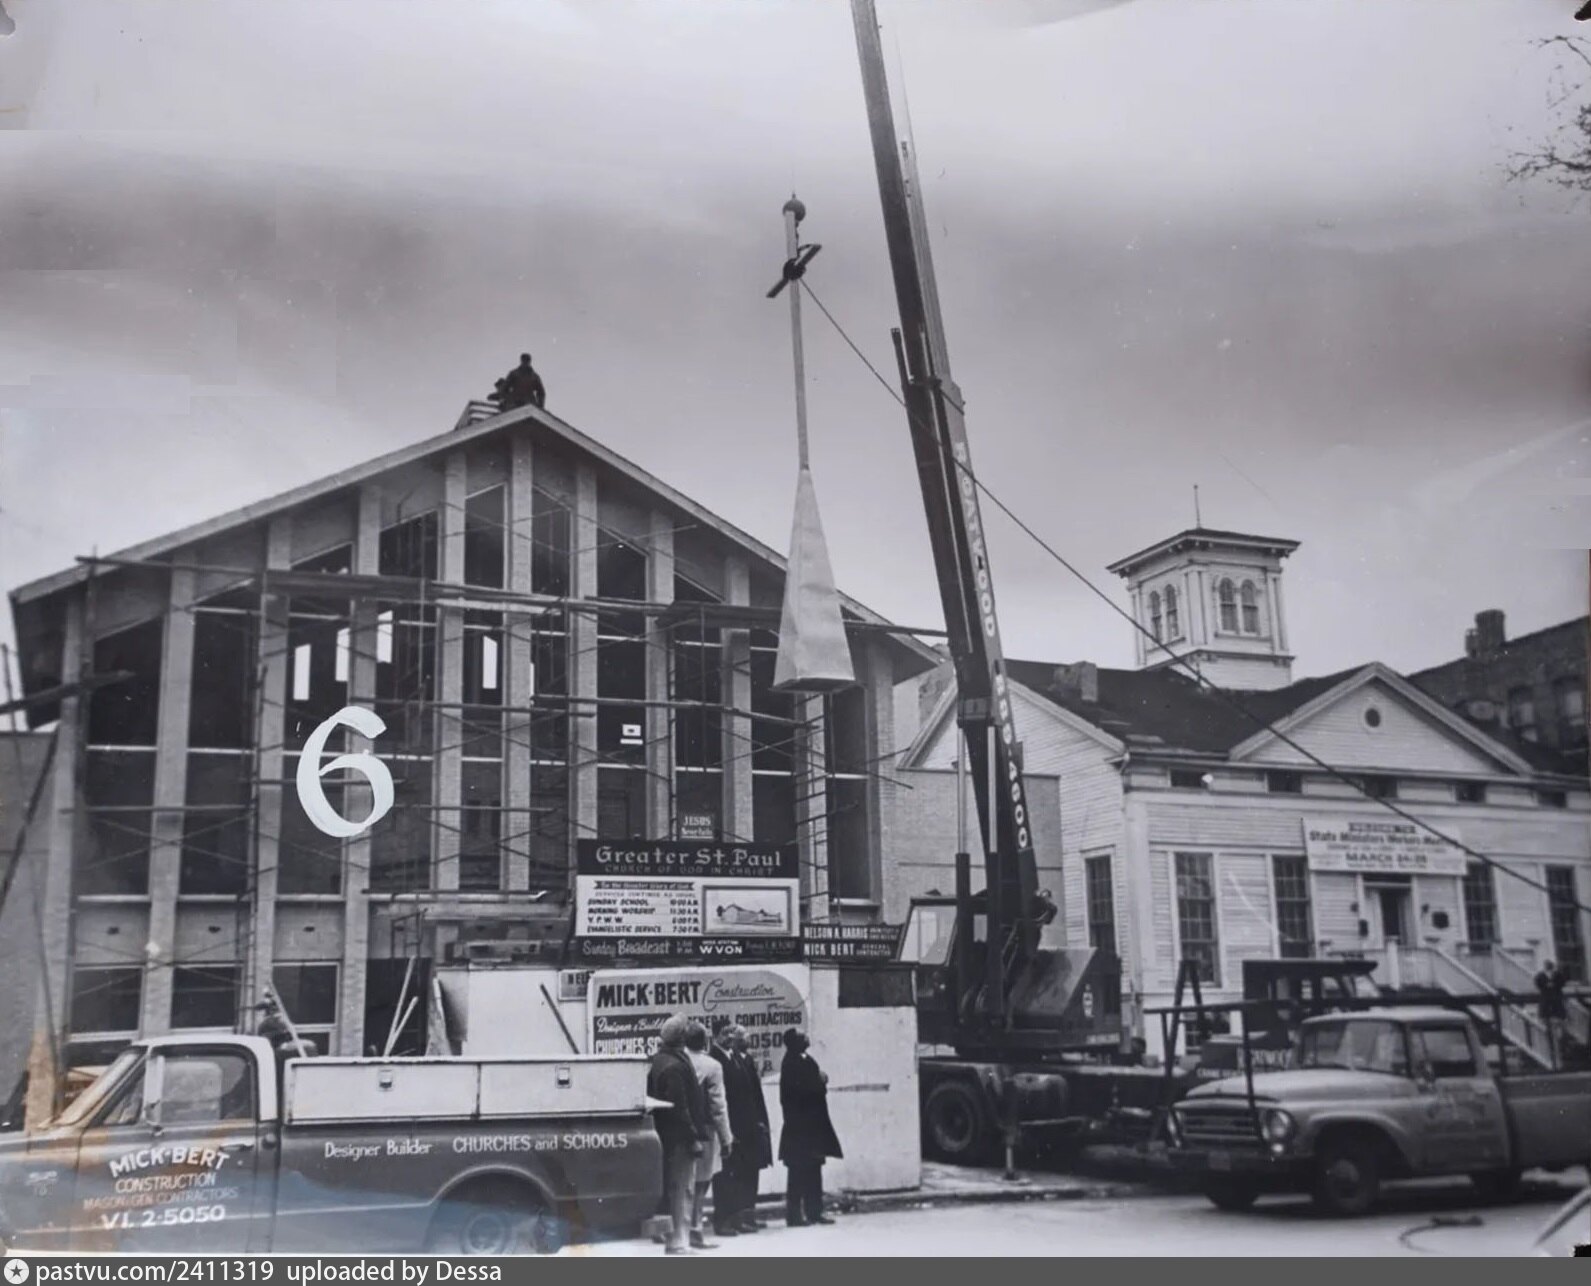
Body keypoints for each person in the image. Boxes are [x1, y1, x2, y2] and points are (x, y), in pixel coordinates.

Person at [646, 1013, 708, 1256]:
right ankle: (678, 1242)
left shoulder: (662, 1060)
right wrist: (693, 1138)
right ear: (681, 1038)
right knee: (682, 1190)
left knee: (676, 1189)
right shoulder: (674, 1066)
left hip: (669, 1137)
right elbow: (680, 1108)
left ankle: (676, 1240)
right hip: (679, 1140)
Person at [778, 1028, 841, 1228]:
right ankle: (795, 1215)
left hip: (812, 1126)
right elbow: (803, 1091)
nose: (806, 1037)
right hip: (800, 1128)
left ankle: (815, 1211)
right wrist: (820, 1081)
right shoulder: (791, 1063)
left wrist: (820, 1080)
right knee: (798, 1171)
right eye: (802, 1036)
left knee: (814, 1169)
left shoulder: (804, 1059)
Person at [713, 1022, 771, 1236]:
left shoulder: (735, 1058)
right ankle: (723, 1220)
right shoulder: (716, 1059)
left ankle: (740, 1217)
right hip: (731, 1126)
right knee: (726, 1176)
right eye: (725, 1033)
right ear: (716, 1036)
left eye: (731, 1033)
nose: (730, 1037)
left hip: (746, 1126)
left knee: (742, 1173)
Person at [684, 1022, 732, 1249]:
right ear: (705, 1041)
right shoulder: (712, 1066)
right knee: (702, 1183)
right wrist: (726, 1137)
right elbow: (718, 1106)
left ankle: (680, 1228)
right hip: (704, 1130)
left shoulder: (677, 1060)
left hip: (679, 1129)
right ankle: (695, 1228)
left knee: (682, 1182)